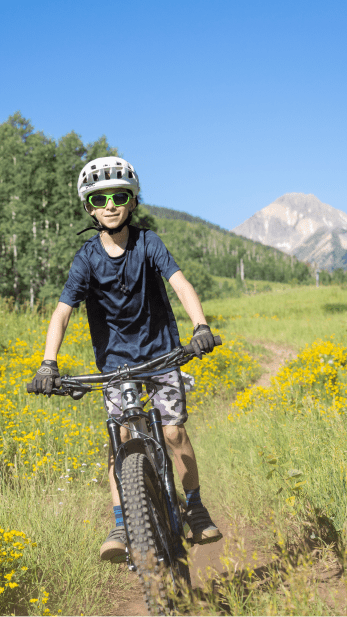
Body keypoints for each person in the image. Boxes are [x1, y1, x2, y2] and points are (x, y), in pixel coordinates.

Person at [29, 156, 222, 563]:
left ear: (131, 201)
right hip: (115, 365)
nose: (110, 204)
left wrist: (200, 326)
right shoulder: (86, 258)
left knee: (172, 434)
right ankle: (122, 521)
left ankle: (195, 506)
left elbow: (181, 284)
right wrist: (49, 363)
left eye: (119, 196)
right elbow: (62, 311)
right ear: (89, 208)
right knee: (121, 442)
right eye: (100, 198)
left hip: (163, 353)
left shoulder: (148, 243)